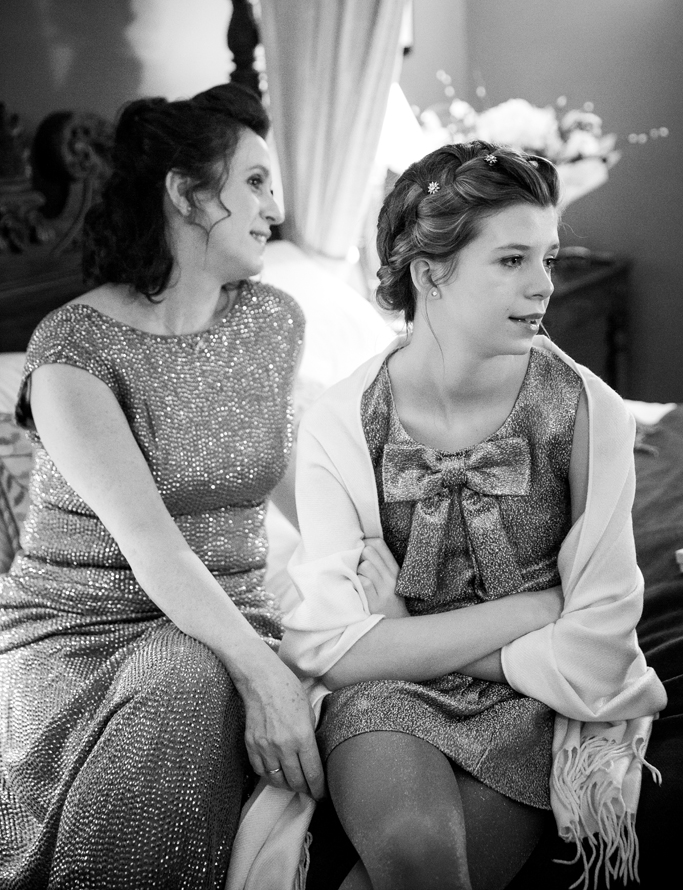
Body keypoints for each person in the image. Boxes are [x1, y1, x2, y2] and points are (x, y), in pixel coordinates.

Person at [280, 142, 667, 890]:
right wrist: (537, 609)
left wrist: (400, 635)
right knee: (416, 845)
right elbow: (331, 651)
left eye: (546, 259)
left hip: (534, 701)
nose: (543, 285)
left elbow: (597, 648)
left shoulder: (590, 412)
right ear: (430, 274)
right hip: (389, 696)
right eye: (512, 260)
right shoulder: (340, 420)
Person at [0, 83, 324, 890]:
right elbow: (153, 545)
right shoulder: (72, 351)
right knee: (189, 676)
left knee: (196, 668)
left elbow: (290, 481)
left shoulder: (272, 321)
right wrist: (265, 676)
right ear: (185, 192)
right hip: (80, 632)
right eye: (255, 181)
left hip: (227, 613)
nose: (275, 209)